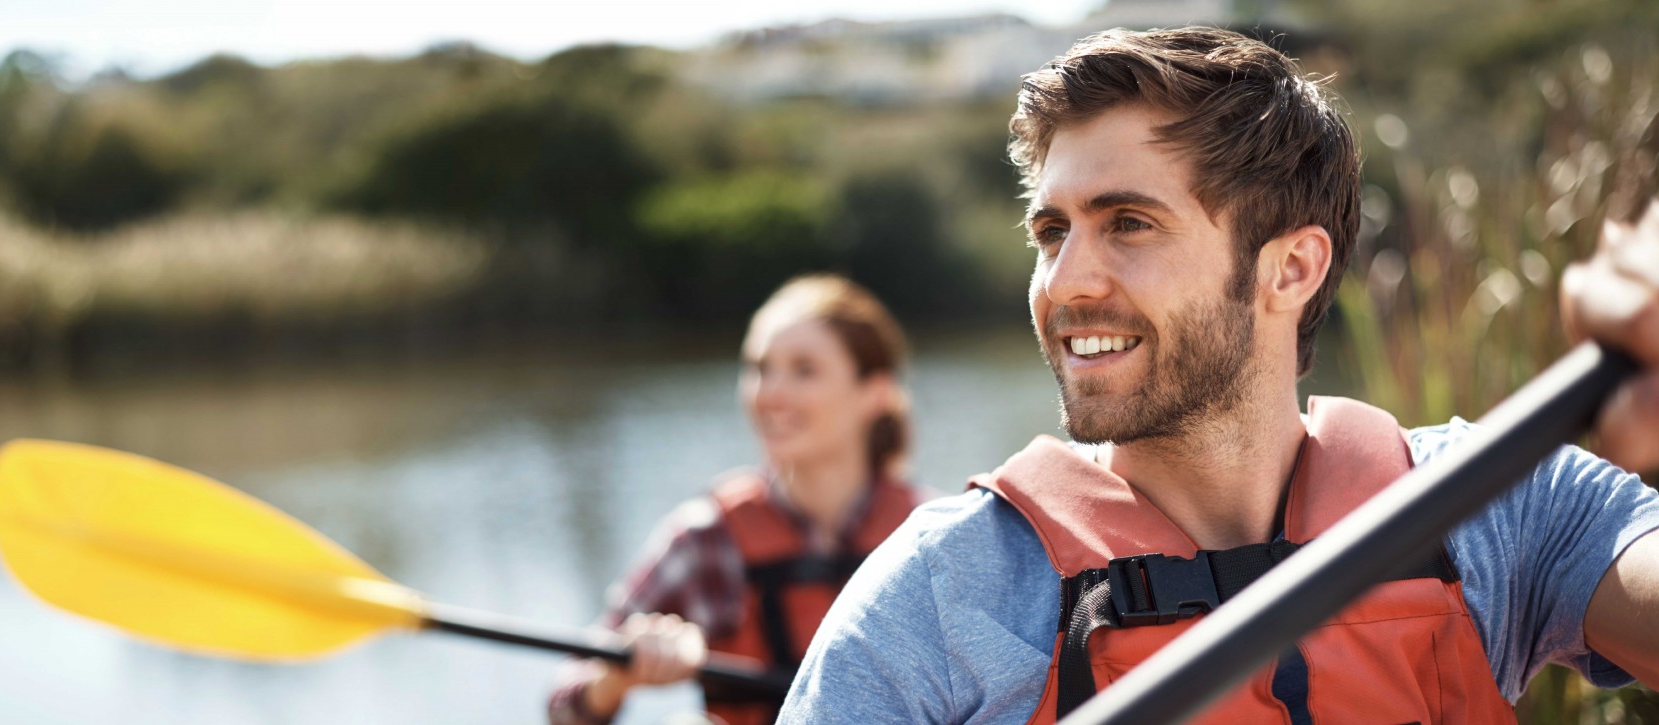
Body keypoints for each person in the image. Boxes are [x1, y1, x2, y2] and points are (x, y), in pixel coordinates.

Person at [778, 27, 1659, 723]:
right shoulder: (942, 596)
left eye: (1128, 223)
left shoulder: (1500, 508)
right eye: (1052, 233)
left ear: (1292, 269)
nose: (1065, 282)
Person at [547, 274, 937, 725]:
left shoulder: (935, 538)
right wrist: (618, 675)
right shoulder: (707, 538)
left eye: (804, 370)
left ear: (876, 392)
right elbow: (563, 707)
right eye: (759, 369)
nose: (769, 393)